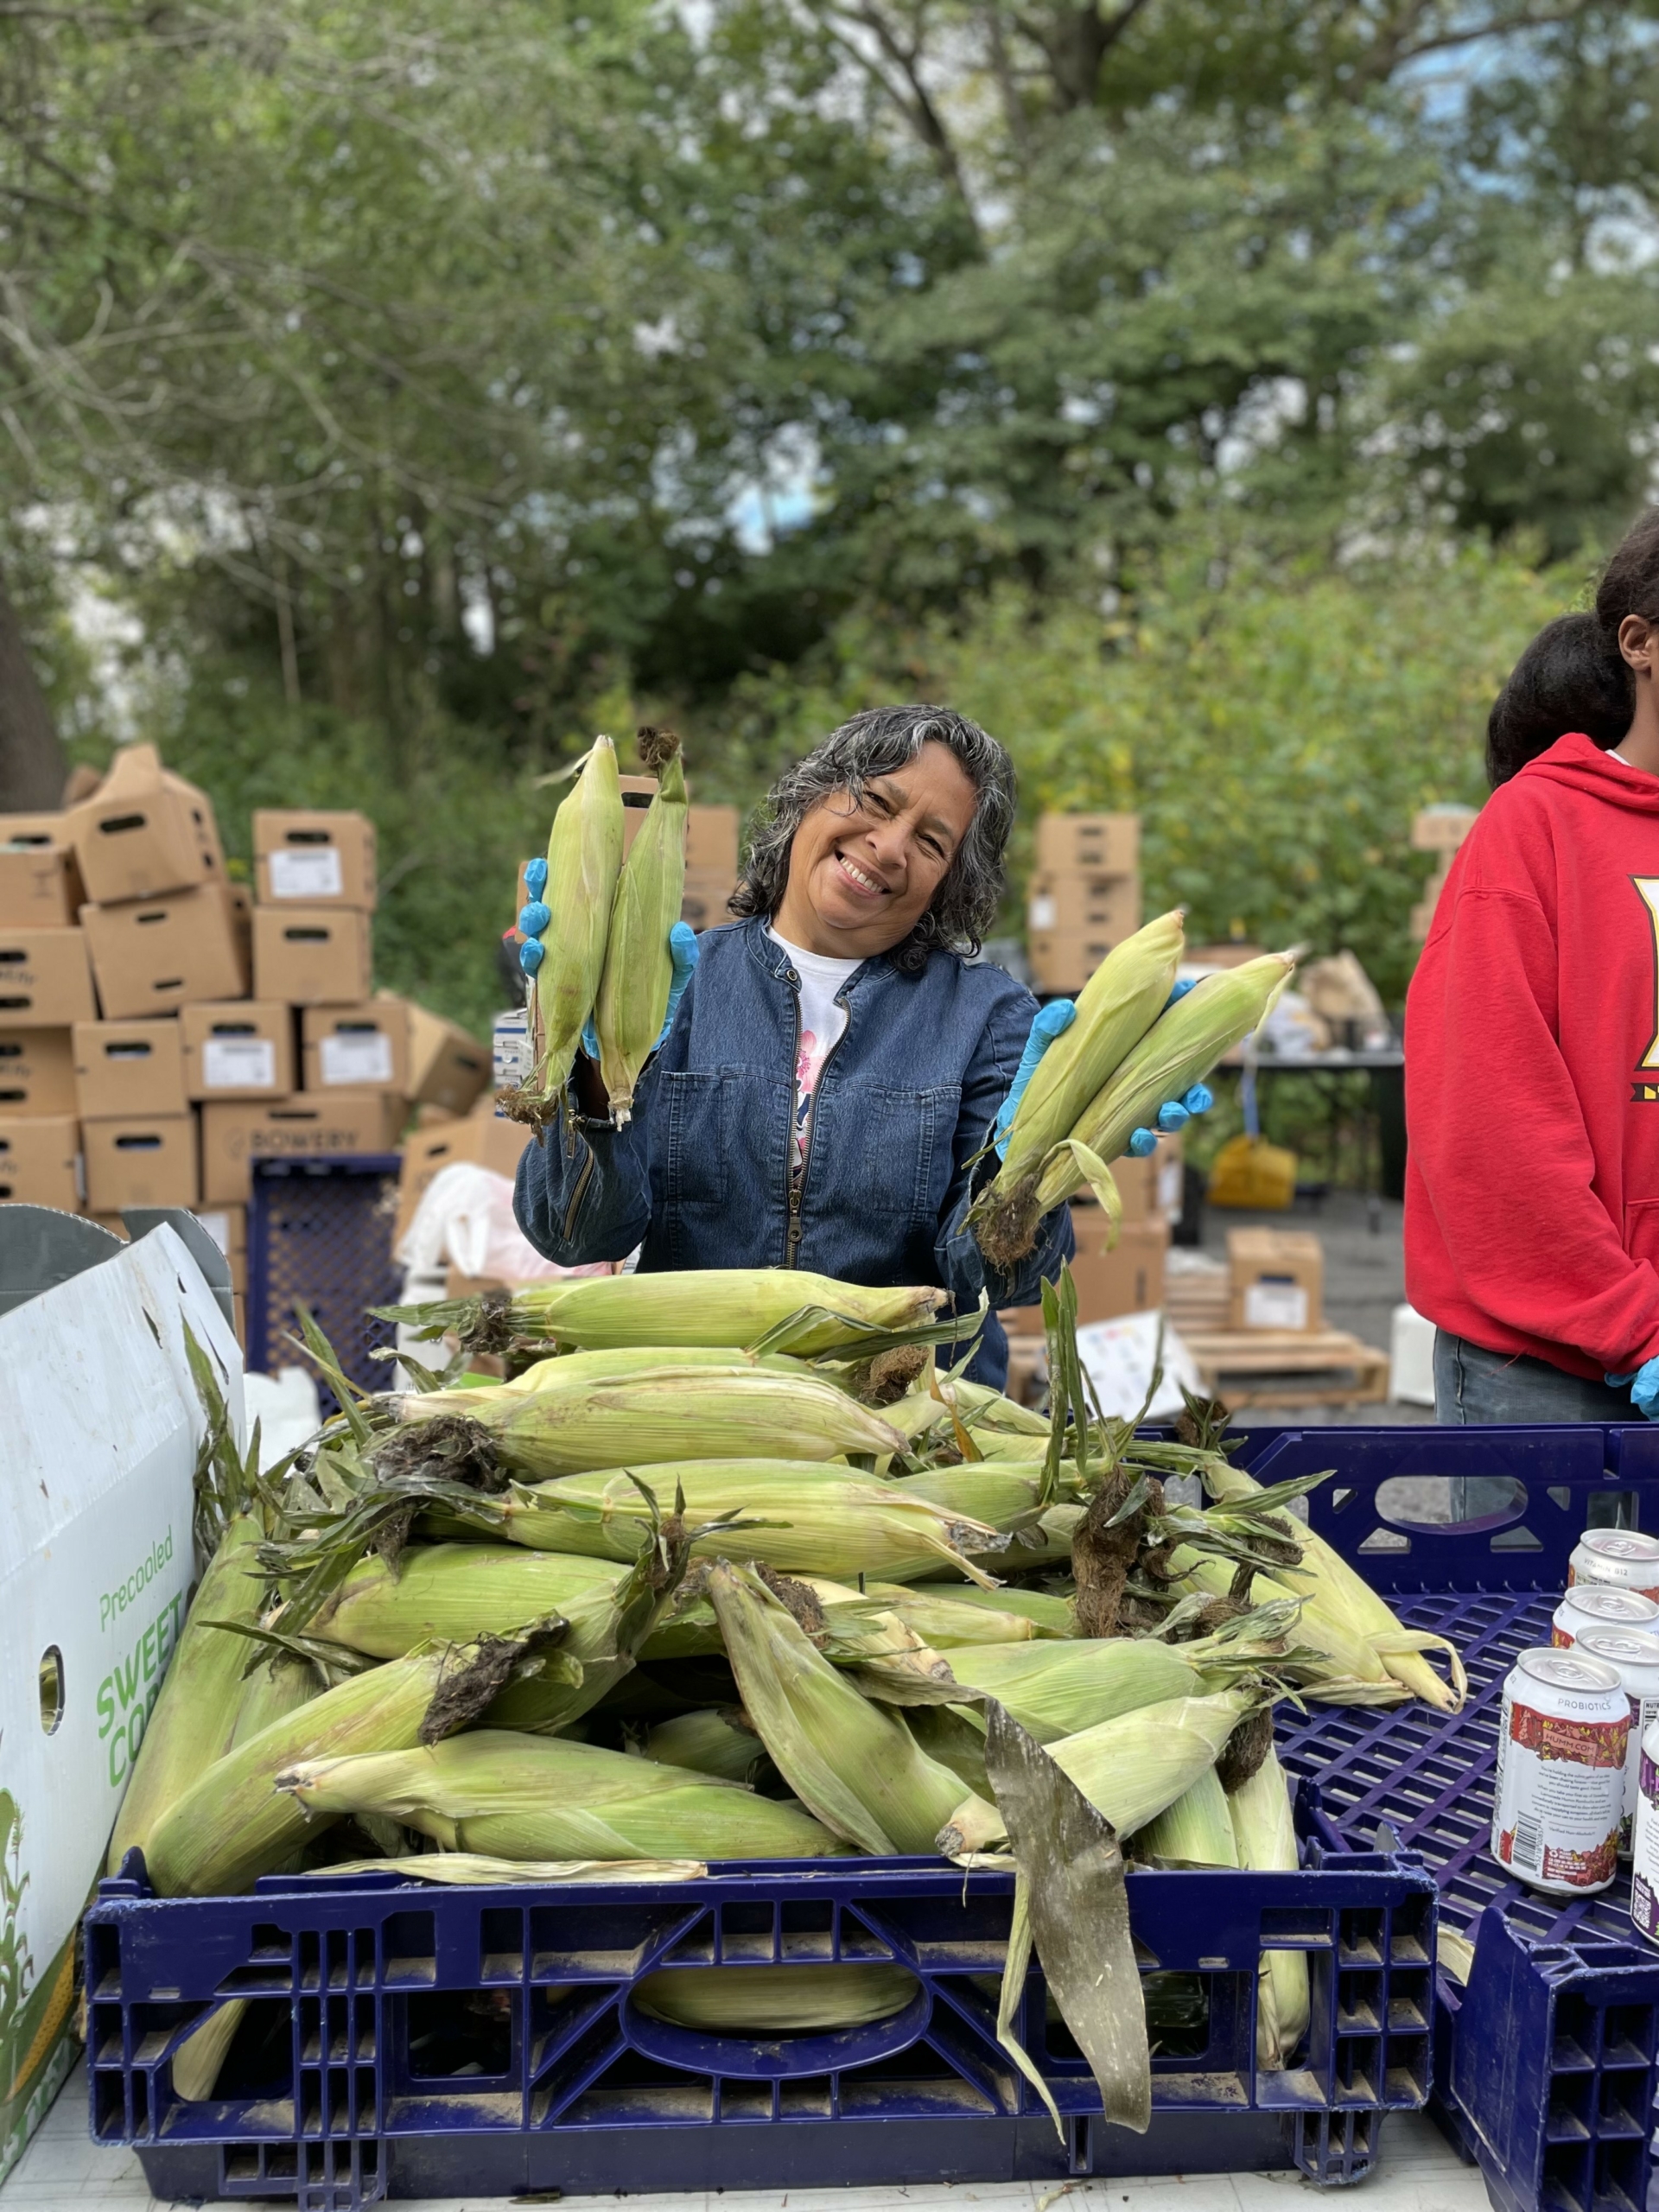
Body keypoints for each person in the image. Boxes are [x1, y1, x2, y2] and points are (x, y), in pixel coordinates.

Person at [512, 704, 1204, 1389]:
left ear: (948, 884)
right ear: (809, 799)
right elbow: (573, 1237)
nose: (891, 845)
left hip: (907, 1437)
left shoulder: (986, 1017)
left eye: (932, 843)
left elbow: (1003, 1280)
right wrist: (596, 1073)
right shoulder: (675, 981)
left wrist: (1037, 1165)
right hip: (696, 1412)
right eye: (874, 800)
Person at [1406, 506, 1659, 1425]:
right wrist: (1638, 1325)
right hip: (1546, 1372)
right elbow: (1491, 1124)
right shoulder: (1534, 830)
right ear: (1639, 641)